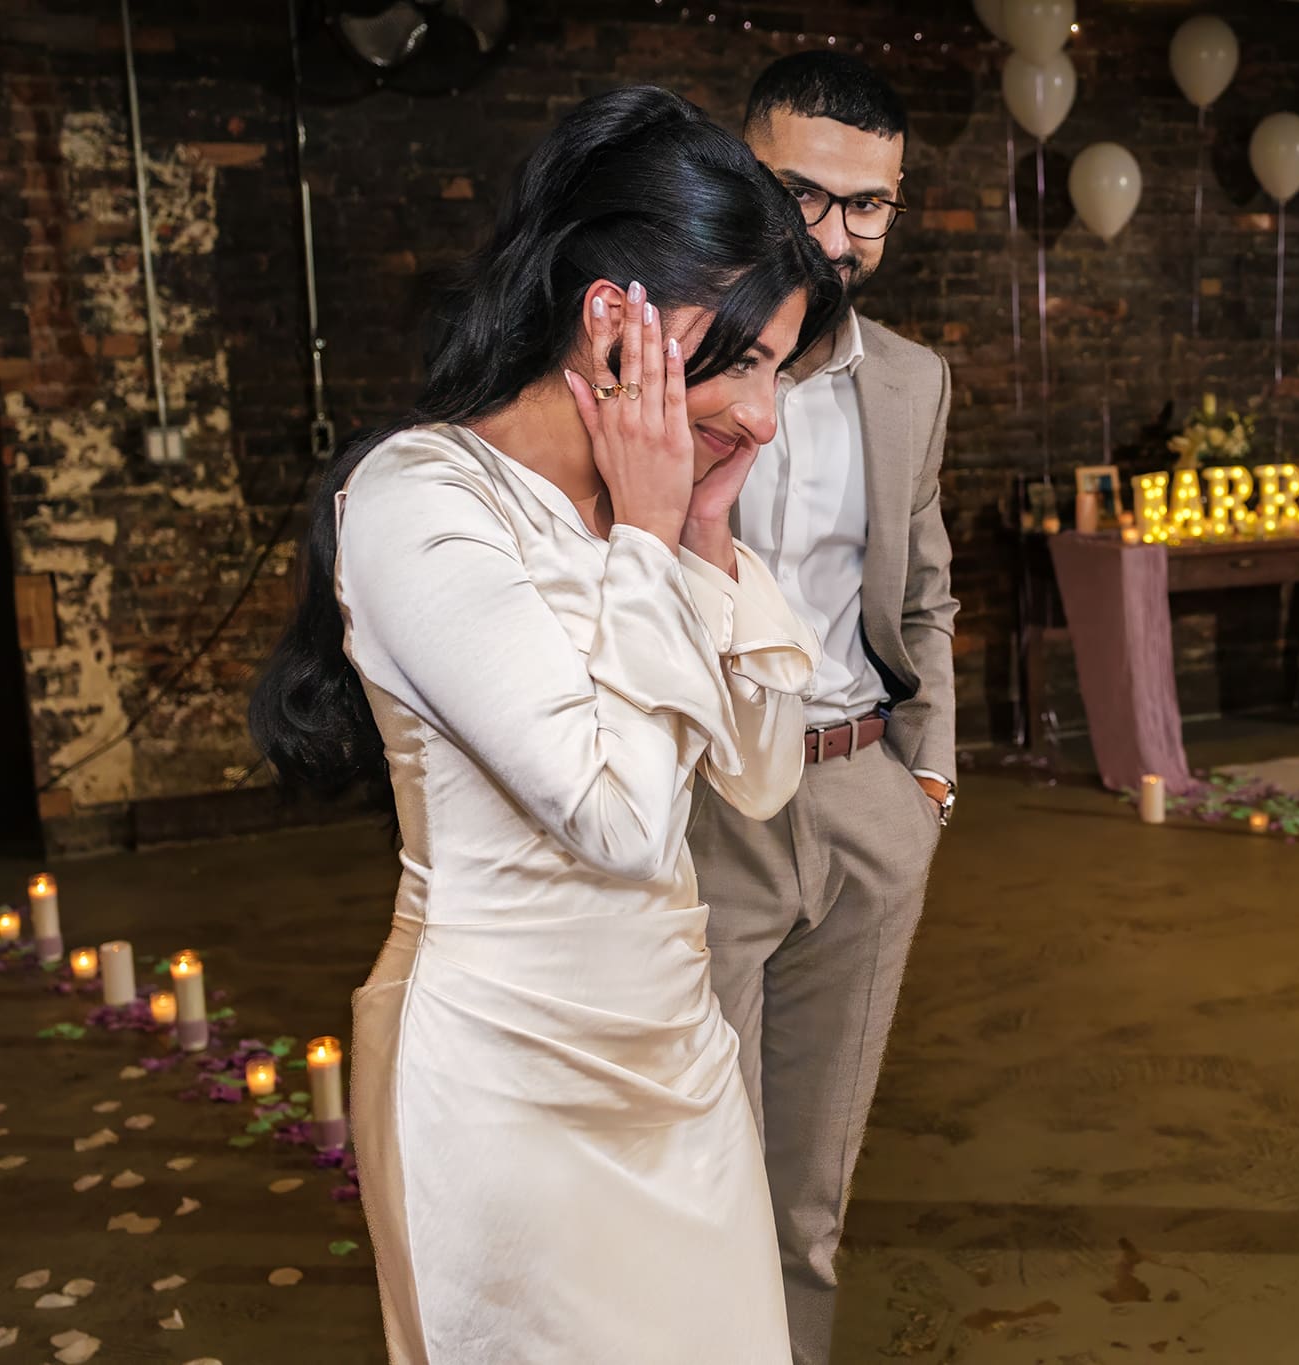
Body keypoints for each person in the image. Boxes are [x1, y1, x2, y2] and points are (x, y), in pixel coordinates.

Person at [247, 87, 842, 1364]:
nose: (762, 414)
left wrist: (699, 535)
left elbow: (758, 775)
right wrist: (650, 532)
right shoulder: (422, 501)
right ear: (613, 317)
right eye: (742, 360)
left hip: (677, 1063)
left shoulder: (647, 515)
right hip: (505, 1086)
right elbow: (620, 824)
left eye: (777, 371)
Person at [687, 52, 957, 1364]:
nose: (837, 235)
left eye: (869, 205)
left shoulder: (911, 381)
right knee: (699, 1181)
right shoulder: (661, 361)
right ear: (740, 177)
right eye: (803, 195)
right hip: (700, 812)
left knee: (808, 1199)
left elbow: (926, 593)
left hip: (862, 801)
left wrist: (928, 779)